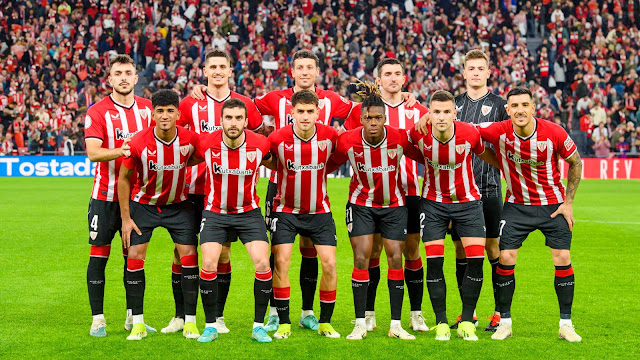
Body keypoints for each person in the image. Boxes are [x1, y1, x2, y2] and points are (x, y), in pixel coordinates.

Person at [159, 49, 266, 335]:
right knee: (182, 252)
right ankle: (181, 315)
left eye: (223, 66)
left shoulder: (244, 104)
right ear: (204, 71)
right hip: (192, 190)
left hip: (228, 194)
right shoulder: (191, 102)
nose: (217, 71)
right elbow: (171, 133)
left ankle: (216, 317)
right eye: (212, 67)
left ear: (231, 71)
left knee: (223, 255)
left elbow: (259, 137)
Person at [476, 87, 583, 342]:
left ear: (534, 107)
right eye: (514, 106)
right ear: (507, 110)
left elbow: (576, 162)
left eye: (525, 105)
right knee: (506, 256)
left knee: (562, 257)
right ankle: (505, 322)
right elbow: (467, 131)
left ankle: (566, 324)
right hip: (516, 205)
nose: (520, 110)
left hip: (552, 206)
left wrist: (568, 202)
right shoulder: (498, 130)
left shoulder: (554, 132)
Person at [328, 82, 423, 340]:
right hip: (360, 206)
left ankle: (396, 324)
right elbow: (328, 164)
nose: (373, 122)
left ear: (385, 118)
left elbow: (425, 156)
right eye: (368, 117)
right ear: (361, 119)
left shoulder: (399, 137)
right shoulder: (347, 140)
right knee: (362, 258)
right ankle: (360, 322)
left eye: (378, 117)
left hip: (394, 206)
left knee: (395, 258)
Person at [409, 90, 501, 341]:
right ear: (429, 112)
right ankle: (440, 322)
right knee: (435, 263)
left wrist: (507, 169)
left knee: (476, 261)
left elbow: (484, 153)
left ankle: (467, 320)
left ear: (454, 113)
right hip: (433, 205)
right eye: (436, 112)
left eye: (446, 112)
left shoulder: (470, 133)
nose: (441, 117)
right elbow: (403, 146)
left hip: (468, 204)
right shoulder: (418, 132)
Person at [188, 99, 276, 343]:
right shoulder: (206, 143)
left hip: (248, 213)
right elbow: (188, 160)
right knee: (208, 263)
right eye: (229, 118)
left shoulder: (259, 143)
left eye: (239, 118)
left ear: (246, 122)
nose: (234, 123)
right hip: (215, 213)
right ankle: (210, 325)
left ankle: (258, 326)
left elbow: (275, 163)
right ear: (221, 120)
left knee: (262, 263)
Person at [117, 89, 199, 341]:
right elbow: (123, 179)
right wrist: (126, 219)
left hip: (179, 206)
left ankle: (189, 321)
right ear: (152, 114)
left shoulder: (190, 139)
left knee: (189, 257)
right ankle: (138, 323)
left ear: (178, 114)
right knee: (135, 255)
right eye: (160, 111)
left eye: (170, 111)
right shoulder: (138, 141)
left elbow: (198, 157)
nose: (165, 116)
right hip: (144, 205)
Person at [84, 54, 155, 337]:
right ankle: (98, 319)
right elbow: (92, 152)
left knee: (133, 260)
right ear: (110, 79)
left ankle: (132, 318)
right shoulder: (97, 111)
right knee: (98, 257)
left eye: (129, 73)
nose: (124, 77)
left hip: (137, 200)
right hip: (104, 198)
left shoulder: (149, 110)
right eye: (118, 73)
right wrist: (123, 150)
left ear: (136, 79)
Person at [267, 90, 340, 339]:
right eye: (301, 111)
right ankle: (284, 322)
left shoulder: (330, 136)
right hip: (286, 211)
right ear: (292, 113)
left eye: (310, 111)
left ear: (318, 113)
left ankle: (325, 322)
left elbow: (338, 157)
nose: (305, 116)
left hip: (320, 212)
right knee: (281, 262)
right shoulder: (278, 138)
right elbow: (266, 160)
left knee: (330, 264)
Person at [449, 50, 510, 331]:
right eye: (470, 68)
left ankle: (500, 312)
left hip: (488, 186)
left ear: (488, 73)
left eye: (480, 68)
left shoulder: (500, 105)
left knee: (492, 247)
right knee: (461, 249)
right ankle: (467, 313)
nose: (475, 73)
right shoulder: (453, 105)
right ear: (463, 73)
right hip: (457, 191)